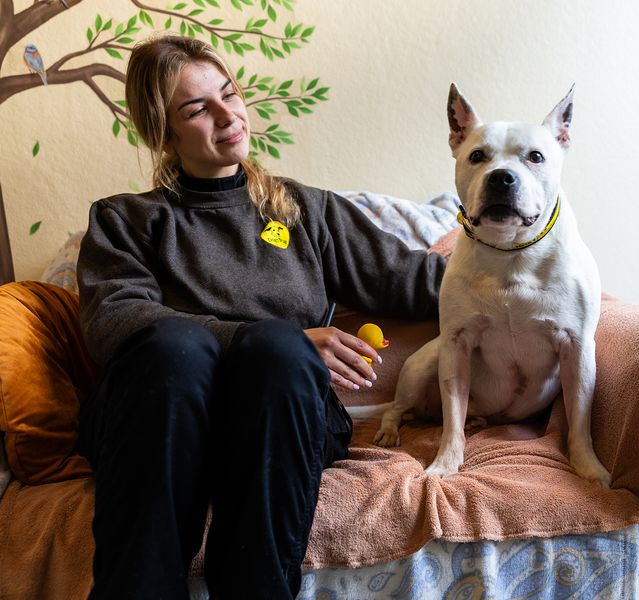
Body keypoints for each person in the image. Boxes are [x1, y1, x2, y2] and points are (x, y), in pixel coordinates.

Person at [76, 34, 445, 600]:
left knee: (278, 351)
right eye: (197, 109)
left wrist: (528, 264)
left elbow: (413, 280)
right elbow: (114, 322)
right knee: (175, 345)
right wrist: (260, 336)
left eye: (229, 94)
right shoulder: (125, 221)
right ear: (163, 132)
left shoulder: (306, 211)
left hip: (281, 414)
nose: (228, 116)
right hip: (163, 420)